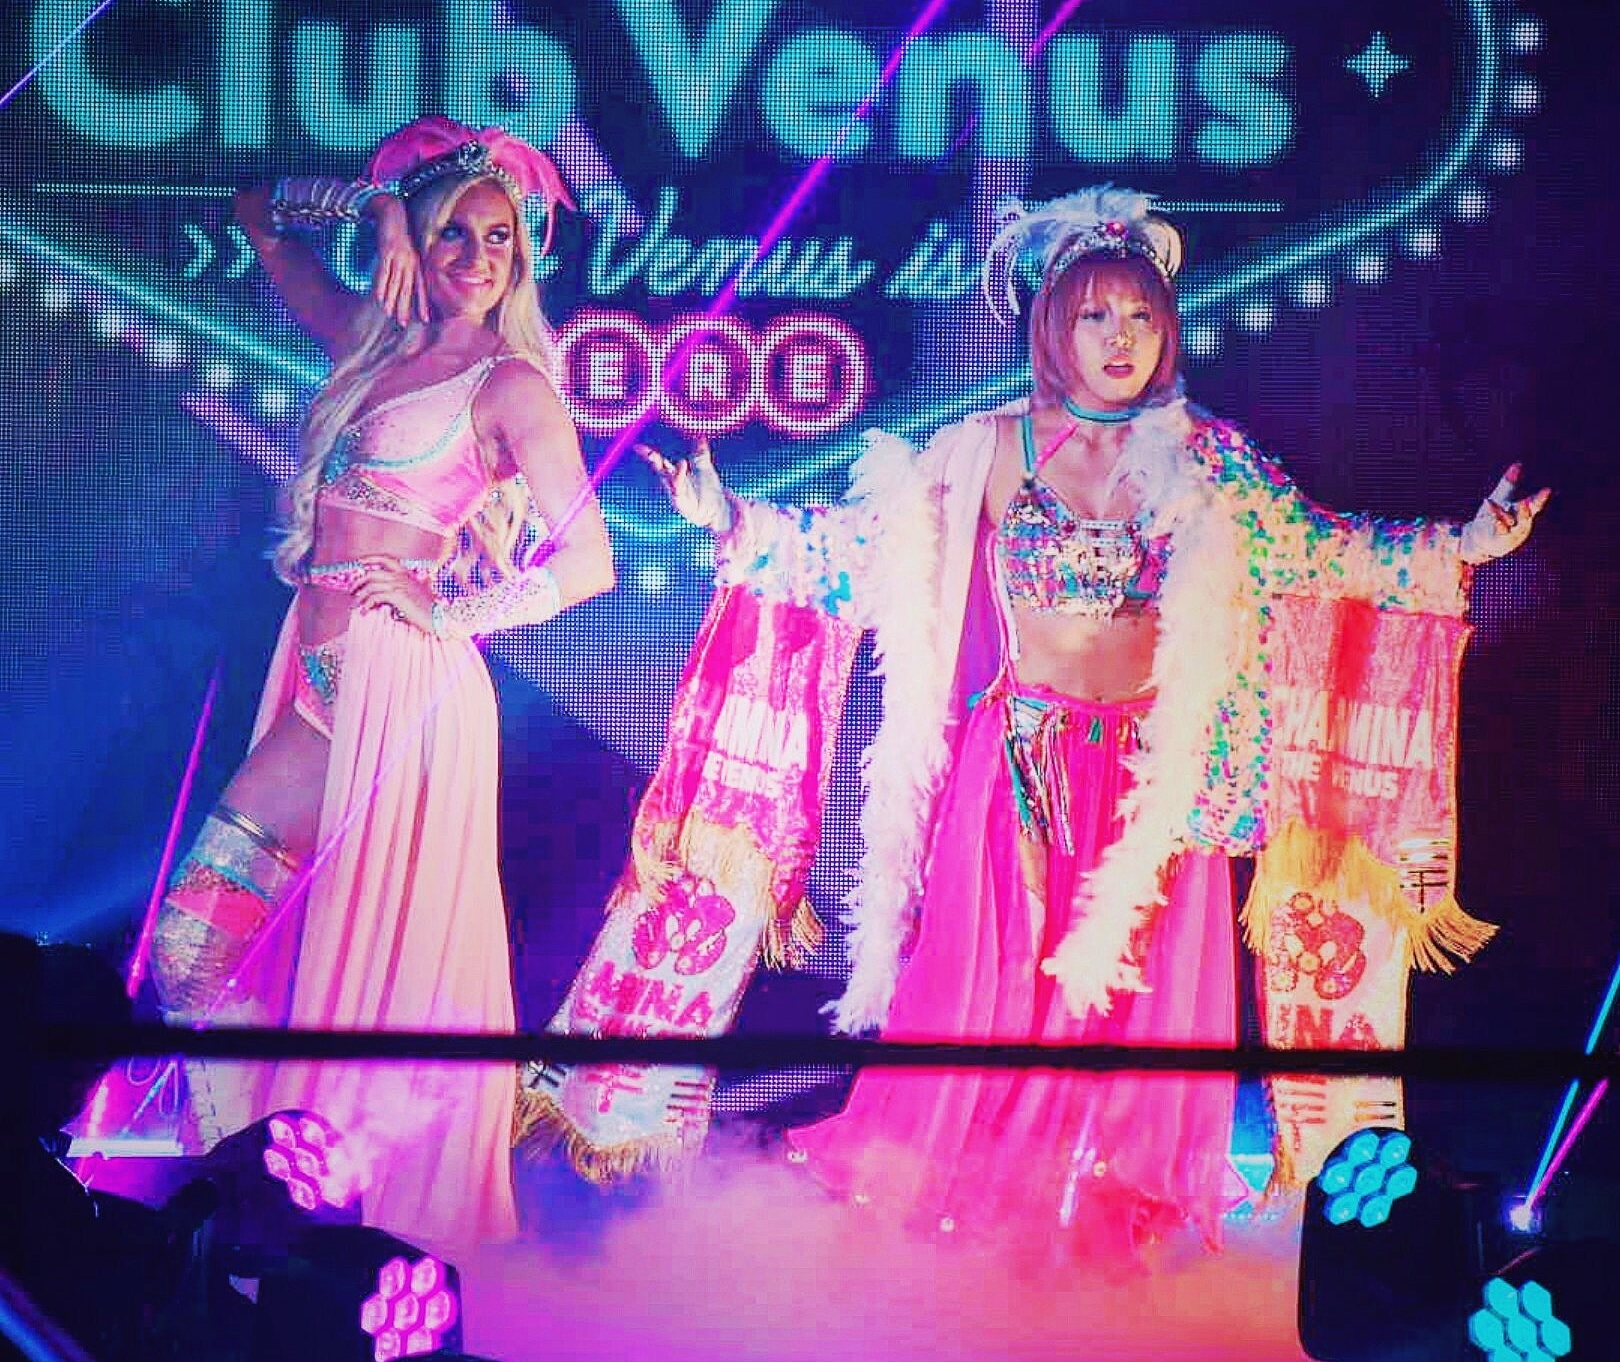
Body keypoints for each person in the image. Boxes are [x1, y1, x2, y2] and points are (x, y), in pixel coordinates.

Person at [643, 187, 1543, 1266]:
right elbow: (862, 552)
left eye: (1142, 317)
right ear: (1051, 328)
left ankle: (1101, 1226)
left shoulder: (1209, 459)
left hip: (1154, 782)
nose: (1122, 338)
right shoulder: (984, 450)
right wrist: (729, 518)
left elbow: (1324, 552)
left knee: (1132, 1008)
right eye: (1095, 316)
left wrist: (1462, 547)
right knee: (993, 991)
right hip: (1018, 764)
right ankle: (961, 1222)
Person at [148, 117, 614, 1249]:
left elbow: (590, 562)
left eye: (499, 238)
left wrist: (450, 612)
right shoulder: (373, 340)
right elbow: (259, 211)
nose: (475, 255)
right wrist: (376, 205)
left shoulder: (513, 385)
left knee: (206, 939)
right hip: (317, 667)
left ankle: (284, 1195)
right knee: (205, 946)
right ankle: (251, 1176)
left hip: (398, 685)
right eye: (454, 231)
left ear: (522, 259)